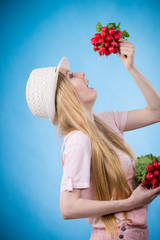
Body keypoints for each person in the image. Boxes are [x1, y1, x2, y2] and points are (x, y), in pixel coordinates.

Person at [25, 56, 160, 240]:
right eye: (72, 75)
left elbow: (156, 111)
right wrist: (129, 203)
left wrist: (131, 67)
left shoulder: (107, 121)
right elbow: (68, 208)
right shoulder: (78, 140)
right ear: (65, 95)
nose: (82, 74)